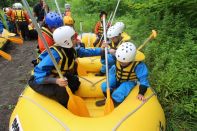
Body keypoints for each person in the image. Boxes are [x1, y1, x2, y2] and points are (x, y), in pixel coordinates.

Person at [28, 26, 107, 108]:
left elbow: (85, 52)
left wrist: (102, 50)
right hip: (40, 81)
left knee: (75, 82)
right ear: (66, 41)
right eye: (73, 38)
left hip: (58, 75)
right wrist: (56, 81)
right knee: (62, 90)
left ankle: (67, 93)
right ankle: (64, 105)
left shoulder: (70, 49)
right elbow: (38, 76)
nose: (76, 39)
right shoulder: (54, 55)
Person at [96, 42, 150, 107]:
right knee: (104, 86)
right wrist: (103, 51)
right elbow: (104, 61)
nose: (121, 63)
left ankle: (114, 103)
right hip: (117, 77)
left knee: (119, 93)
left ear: (131, 59)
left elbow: (143, 80)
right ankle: (108, 99)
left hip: (129, 81)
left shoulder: (139, 65)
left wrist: (141, 93)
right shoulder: (117, 57)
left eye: (124, 62)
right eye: (120, 61)